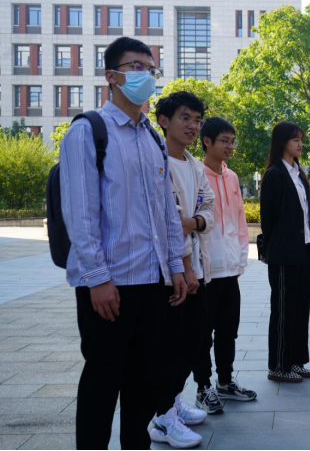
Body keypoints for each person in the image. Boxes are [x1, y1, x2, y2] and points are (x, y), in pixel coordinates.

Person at [60, 37, 188, 450]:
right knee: (102, 386)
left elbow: (166, 210)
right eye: (136, 67)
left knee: (143, 387)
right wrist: (98, 278)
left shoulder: (152, 137)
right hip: (110, 286)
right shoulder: (88, 131)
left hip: (151, 283)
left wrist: (176, 265)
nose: (145, 75)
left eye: (150, 68)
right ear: (111, 76)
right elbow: (80, 213)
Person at [149, 91, 216, 448]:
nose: (193, 126)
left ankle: (173, 402)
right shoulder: (157, 161)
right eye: (185, 118)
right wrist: (186, 265)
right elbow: (168, 221)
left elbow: (208, 209)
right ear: (164, 121)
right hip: (168, 274)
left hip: (196, 270)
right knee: (171, 347)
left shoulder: (194, 165)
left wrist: (195, 222)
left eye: (197, 120)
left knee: (194, 342)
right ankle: (161, 418)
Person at [195, 117, 257, 404]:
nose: (230, 146)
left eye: (233, 141)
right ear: (207, 141)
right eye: (225, 141)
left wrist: (241, 257)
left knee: (228, 331)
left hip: (230, 269)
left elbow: (239, 218)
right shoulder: (196, 174)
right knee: (202, 333)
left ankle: (225, 381)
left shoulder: (231, 177)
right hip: (205, 271)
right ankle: (202, 388)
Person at [260, 121, 310, 383]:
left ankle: (295, 361)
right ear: (283, 142)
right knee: (283, 310)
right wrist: (273, 248)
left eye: (301, 139)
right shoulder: (274, 175)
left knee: (300, 308)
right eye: (296, 139)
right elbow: (268, 219)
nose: (300, 144)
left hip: (303, 250)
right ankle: (278, 366)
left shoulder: (299, 174)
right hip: (283, 253)